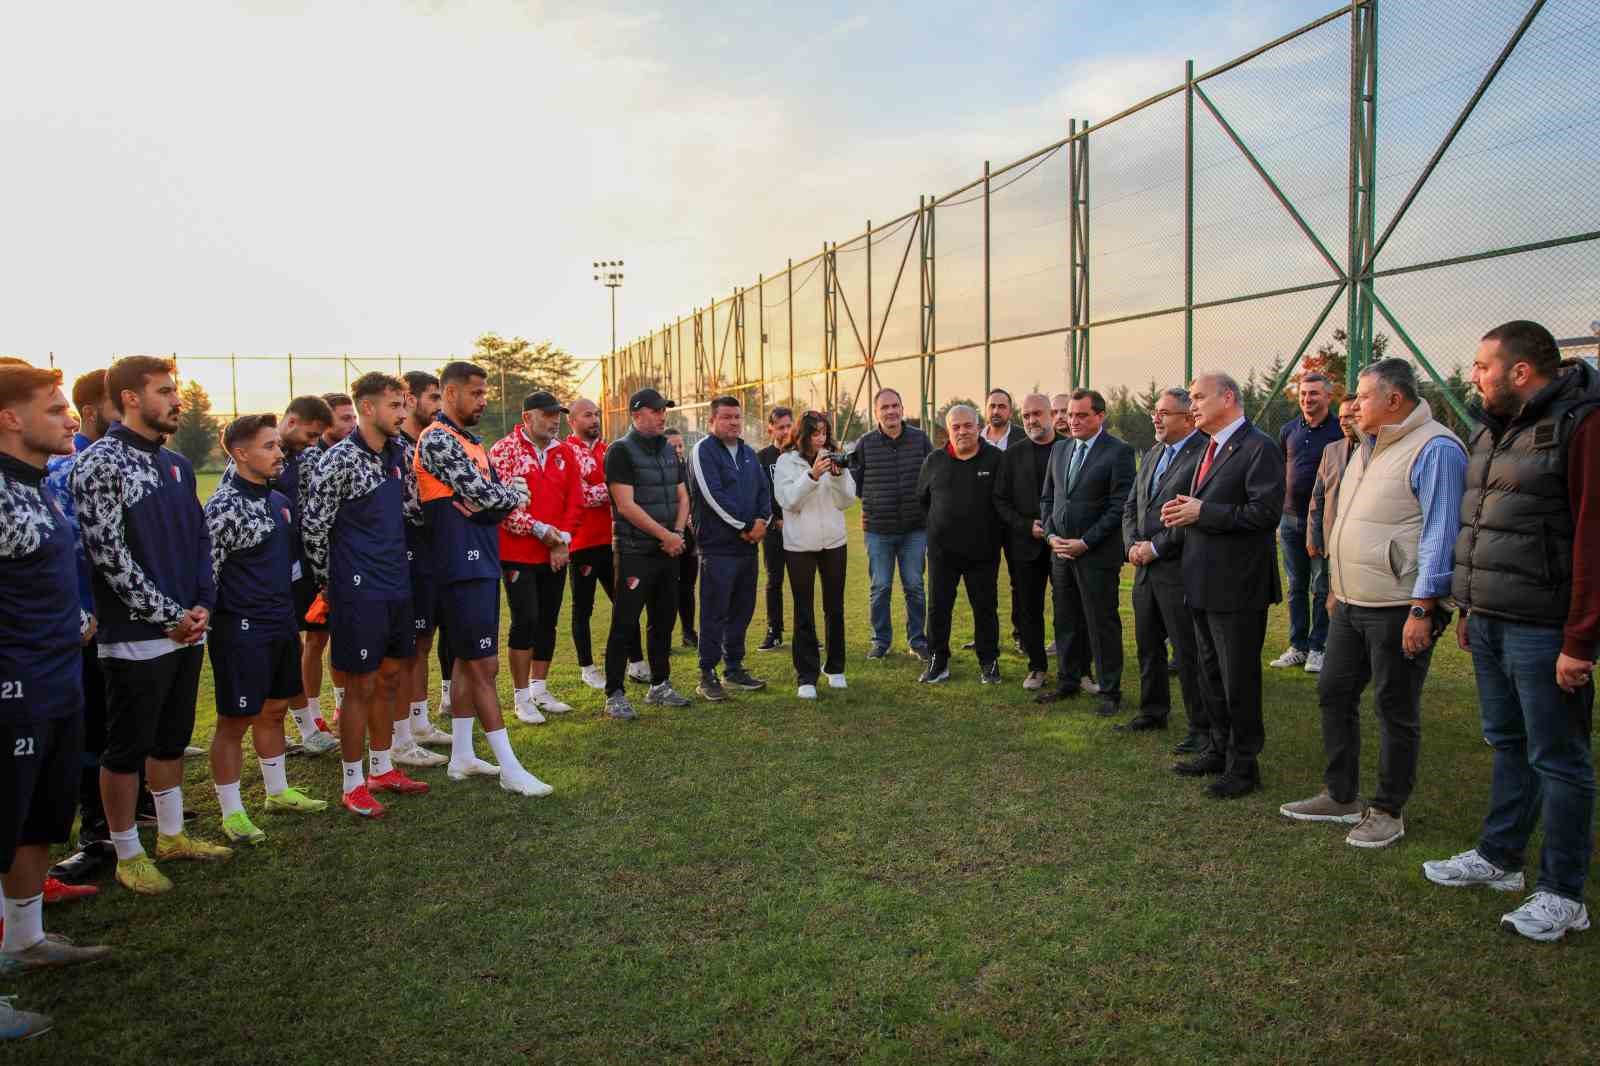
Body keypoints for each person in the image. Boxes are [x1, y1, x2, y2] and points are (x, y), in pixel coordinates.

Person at [1423, 321, 1599, 942]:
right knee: (1507, 741)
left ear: (1519, 371)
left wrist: (1580, 640)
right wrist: (1471, 608)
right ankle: (1500, 858)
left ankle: (1563, 893)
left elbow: (1592, 539)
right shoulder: (1493, 427)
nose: (1473, 376)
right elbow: (1482, 526)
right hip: (1493, 619)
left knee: (1560, 759)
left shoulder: (1582, 423)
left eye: (1481, 366)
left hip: (1546, 630)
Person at [1280, 359, 1464, 848]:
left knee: (1394, 706)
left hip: (1401, 606)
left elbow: (1441, 536)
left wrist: (1423, 607)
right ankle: (1341, 796)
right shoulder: (1366, 446)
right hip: (1351, 601)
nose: (1353, 405)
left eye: (1362, 396)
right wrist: (1338, 585)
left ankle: (1387, 809)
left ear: (1395, 400)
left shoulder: (1436, 449)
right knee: (1334, 692)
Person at [71, 355, 232, 894]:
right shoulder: (99, 462)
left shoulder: (179, 464)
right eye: (165, 391)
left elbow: (200, 539)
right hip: (138, 635)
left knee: (169, 740)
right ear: (131, 398)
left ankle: (171, 835)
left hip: (188, 626)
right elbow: (108, 555)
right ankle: (127, 852)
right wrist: (168, 615)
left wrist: (202, 603)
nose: (176, 401)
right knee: (127, 747)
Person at [0, 364, 112, 972]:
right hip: (12, 684)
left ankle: (23, 939)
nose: (71, 416)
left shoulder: (37, 484)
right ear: (10, 419)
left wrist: (72, 623)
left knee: (40, 815)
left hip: (57, 676)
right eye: (54, 407)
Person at [414, 361, 551, 796]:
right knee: (483, 666)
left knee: (463, 660)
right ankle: (510, 768)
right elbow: (492, 496)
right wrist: (501, 496)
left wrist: (495, 499)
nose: (483, 400)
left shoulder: (470, 442)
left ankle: (461, 756)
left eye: (484, 393)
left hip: (479, 560)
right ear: (449, 393)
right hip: (457, 563)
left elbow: (491, 502)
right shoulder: (436, 439)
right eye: (475, 393)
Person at [303, 372, 434, 817]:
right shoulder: (338, 460)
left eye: (404, 405)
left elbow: (413, 512)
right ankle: (353, 782)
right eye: (394, 405)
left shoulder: (400, 453)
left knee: (391, 678)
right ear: (366, 408)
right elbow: (315, 528)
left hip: (397, 581)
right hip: (357, 590)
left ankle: (382, 767)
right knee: (359, 686)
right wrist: (331, 583)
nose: (402, 413)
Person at [204, 414, 331, 845]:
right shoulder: (223, 506)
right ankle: (232, 811)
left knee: (275, 710)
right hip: (239, 628)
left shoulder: (278, 500)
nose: (279, 453)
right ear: (240, 454)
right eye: (268, 447)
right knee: (234, 720)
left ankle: (278, 792)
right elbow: (207, 573)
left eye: (279, 445)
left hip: (280, 622)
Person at [1160, 371, 1285, 798]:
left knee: (1238, 679)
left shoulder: (1259, 448)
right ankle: (1218, 748)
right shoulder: (1207, 449)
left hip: (1238, 587)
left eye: (1198, 397)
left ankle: (1244, 766)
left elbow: (1264, 514)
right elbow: (1205, 507)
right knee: (1209, 673)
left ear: (1227, 398)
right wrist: (1183, 514)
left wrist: (1203, 512)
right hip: (1201, 581)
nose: (1192, 405)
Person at [42, 369, 119, 886]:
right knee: (89, 721)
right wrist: (79, 610)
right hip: (78, 622)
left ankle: (124, 810)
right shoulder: (65, 467)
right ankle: (95, 827)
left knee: (114, 716)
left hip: (112, 611)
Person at [1036, 389, 1135, 715]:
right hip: (1060, 552)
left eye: (1081, 415)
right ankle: (1068, 679)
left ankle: (1110, 689)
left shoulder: (1118, 452)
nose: (1072, 421)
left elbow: (1119, 505)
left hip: (1095, 554)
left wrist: (1086, 542)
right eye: (1069, 415)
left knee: (1100, 621)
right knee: (1065, 619)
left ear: (1100, 416)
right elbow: (1048, 499)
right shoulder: (1061, 450)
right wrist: (1051, 536)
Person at [1119, 387, 1209, 745]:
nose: (1155, 418)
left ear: (1188, 418)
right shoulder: (1154, 452)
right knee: (1148, 644)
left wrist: (1156, 547)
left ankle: (1200, 727)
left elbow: (1193, 516)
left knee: (1188, 651)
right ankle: (1152, 711)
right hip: (1144, 569)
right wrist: (1131, 547)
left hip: (1178, 568)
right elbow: (1131, 506)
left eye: (1164, 413)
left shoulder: (1202, 454)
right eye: (1154, 412)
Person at [489, 391, 582, 724]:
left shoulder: (566, 452)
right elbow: (503, 507)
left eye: (557, 413)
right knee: (525, 620)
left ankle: (540, 688)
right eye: (547, 414)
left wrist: (562, 540)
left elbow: (576, 499)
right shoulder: (503, 450)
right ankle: (521, 697)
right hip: (518, 552)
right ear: (527, 417)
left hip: (555, 552)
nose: (554, 419)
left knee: (548, 621)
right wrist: (542, 531)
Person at [602, 389, 693, 719]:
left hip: (668, 551)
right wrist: (666, 535)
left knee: (663, 620)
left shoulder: (670, 451)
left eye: (663, 410)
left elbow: (683, 496)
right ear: (636, 414)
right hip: (634, 551)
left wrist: (678, 534)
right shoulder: (620, 452)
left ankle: (660, 685)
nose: (661, 415)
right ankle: (614, 693)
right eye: (655, 410)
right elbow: (625, 505)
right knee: (625, 623)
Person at [687, 396, 772, 702]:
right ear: (712, 421)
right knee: (714, 611)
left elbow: (765, 491)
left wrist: (762, 521)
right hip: (718, 548)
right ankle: (707, 673)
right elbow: (713, 495)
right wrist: (747, 525)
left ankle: (733, 668)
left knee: (742, 610)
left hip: (747, 548)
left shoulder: (749, 453)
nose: (733, 422)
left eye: (737, 417)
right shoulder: (703, 451)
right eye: (726, 417)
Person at [916, 405, 1004, 684]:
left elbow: (1004, 500)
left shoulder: (996, 459)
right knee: (938, 609)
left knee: (985, 608)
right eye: (956, 427)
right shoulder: (934, 461)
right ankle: (937, 661)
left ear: (978, 427)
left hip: (983, 552)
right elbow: (923, 500)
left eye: (968, 425)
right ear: (948, 430)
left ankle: (989, 662)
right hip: (943, 553)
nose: (963, 431)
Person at [774, 411, 856, 698]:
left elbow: (847, 501)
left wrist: (838, 475)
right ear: (802, 435)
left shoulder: (834, 456)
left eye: (824, 432)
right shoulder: (786, 462)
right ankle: (806, 676)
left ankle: (835, 668)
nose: (821, 438)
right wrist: (812, 475)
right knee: (803, 610)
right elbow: (788, 501)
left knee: (834, 607)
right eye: (815, 433)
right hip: (799, 546)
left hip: (834, 542)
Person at [564, 397, 644, 690]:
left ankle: (636, 661)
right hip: (581, 544)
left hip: (612, 542)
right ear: (572, 421)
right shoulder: (565, 452)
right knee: (582, 608)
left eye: (596, 414)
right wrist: (614, 490)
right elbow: (580, 496)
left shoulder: (609, 449)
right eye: (587, 415)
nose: (594, 420)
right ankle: (587, 667)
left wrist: (614, 491)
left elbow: (625, 490)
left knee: (625, 603)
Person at [393, 371, 452, 761]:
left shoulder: (432, 442)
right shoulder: (396, 447)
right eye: (433, 397)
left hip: (432, 548)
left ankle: (419, 720)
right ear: (410, 400)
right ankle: (399, 738)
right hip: (405, 550)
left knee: (425, 639)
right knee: (406, 645)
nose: (438, 406)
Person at [849, 388, 933, 661]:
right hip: (878, 530)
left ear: (902, 408)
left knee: (915, 586)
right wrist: (875, 501)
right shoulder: (865, 443)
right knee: (880, 587)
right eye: (884, 407)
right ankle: (880, 641)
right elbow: (855, 484)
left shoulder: (920, 440)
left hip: (914, 529)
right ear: (876, 413)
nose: (891, 411)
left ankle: (918, 640)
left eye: (895, 405)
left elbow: (933, 477)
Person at [1273, 372, 1344, 674]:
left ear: (1328, 396)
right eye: (1303, 393)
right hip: (1289, 521)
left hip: (1322, 522)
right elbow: (1278, 473)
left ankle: (1319, 647)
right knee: (1295, 586)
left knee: (1320, 585)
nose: (1307, 399)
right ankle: (1298, 646)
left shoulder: (1339, 431)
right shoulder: (1288, 430)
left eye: (1314, 393)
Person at [299, 391, 356, 735]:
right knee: (315, 640)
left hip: (347, 563)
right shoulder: (310, 458)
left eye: (353, 418)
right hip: (316, 563)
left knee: (343, 636)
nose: (351, 424)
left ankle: (339, 704)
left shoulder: (353, 456)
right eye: (344, 418)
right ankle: (312, 712)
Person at [993, 394, 1058, 690]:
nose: (1032, 420)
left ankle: (1077, 668)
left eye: (1038, 414)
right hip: (1025, 544)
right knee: (1029, 608)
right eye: (1027, 415)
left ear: (1051, 415)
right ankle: (1036, 667)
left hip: (1063, 543)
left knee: (1069, 607)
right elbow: (1000, 501)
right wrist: (1024, 526)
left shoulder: (1068, 449)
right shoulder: (1012, 455)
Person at [756, 406, 793, 652]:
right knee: (774, 580)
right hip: (773, 530)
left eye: (789, 426)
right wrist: (774, 520)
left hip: (799, 528)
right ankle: (774, 630)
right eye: (781, 427)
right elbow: (760, 493)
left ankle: (806, 630)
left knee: (803, 580)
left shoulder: (800, 455)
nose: (786, 431)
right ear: (771, 428)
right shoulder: (763, 457)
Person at [1305, 397, 1360, 562]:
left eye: (1349, 416)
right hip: (1330, 542)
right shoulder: (1331, 451)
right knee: (1323, 587)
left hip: (1360, 542)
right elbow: (1317, 497)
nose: (1343, 422)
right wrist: (1312, 537)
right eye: (1341, 417)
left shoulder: (1377, 451)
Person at [665, 428, 700, 648]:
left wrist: (692, 519)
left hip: (689, 535)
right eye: (673, 446)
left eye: (680, 445)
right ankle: (664, 636)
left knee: (687, 586)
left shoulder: (689, 467)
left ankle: (689, 632)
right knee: (667, 588)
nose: (678, 450)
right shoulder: (659, 470)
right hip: (667, 534)